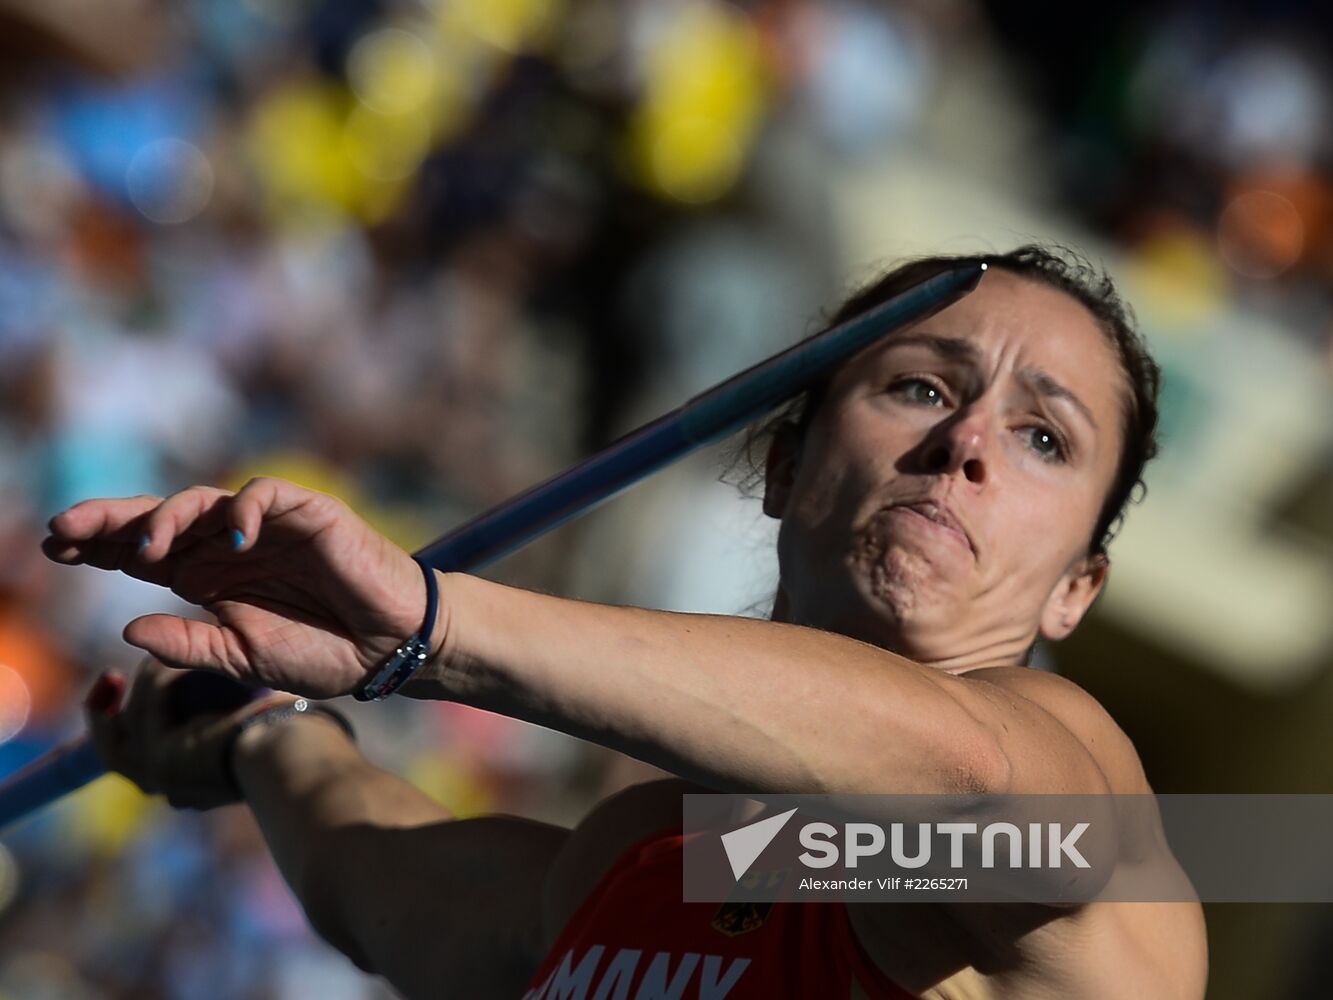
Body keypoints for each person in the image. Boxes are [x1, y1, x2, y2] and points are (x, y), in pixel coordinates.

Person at [45, 245, 1208, 998]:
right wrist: (257, 733)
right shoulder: (656, 856)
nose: (965, 445)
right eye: (920, 385)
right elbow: (378, 879)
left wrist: (432, 624)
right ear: (785, 461)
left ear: (1075, 590)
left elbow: (957, 774)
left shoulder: (1077, 802)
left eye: (1043, 437)